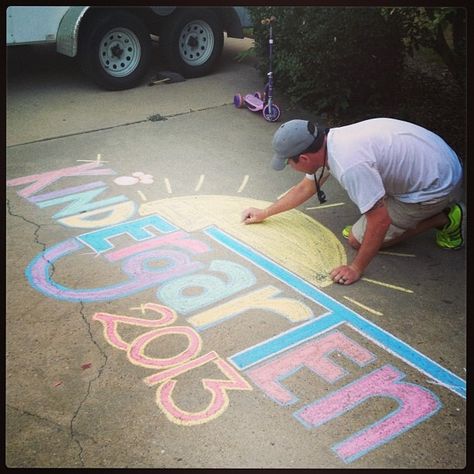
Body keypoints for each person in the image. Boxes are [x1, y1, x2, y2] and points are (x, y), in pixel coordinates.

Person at [241, 118, 464, 285]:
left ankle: (445, 218)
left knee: (358, 240)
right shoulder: (328, 141)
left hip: (435, 186)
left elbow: (380, 221)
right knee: (366, 225)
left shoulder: (350, 165)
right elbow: (305, 187)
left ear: (305, 158)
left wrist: (355, 267)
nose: (290, 166)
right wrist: (265, 212)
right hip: (434, 161)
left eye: (289, 162)